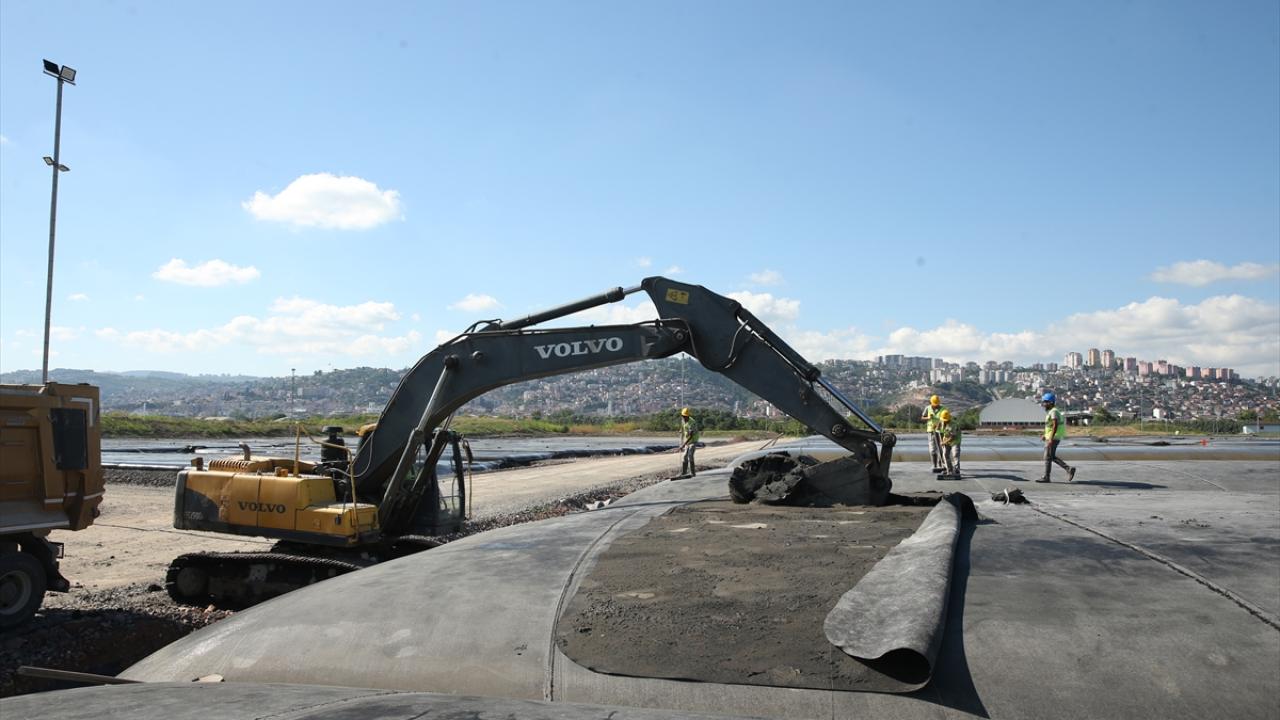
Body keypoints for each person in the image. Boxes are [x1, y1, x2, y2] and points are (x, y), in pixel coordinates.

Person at [1037, 392, 1076, 483]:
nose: (1043, 404)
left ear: (1050, 402)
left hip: (1053, 438)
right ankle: (1068, 469)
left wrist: (1050, 438)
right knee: (1051, 456)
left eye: (1045, 402)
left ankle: (1047, 477)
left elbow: (1055, 425)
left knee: (1047, 457)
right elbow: (1050, 426)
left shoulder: (1053, 411)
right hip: (1053, 437)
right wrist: (1045, 435)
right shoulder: (1052, 411)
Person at [921, 395, 946, 473]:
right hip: (931, 431)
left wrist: (940, 425)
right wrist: (928, 418)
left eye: (937, 404)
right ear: (931, 402)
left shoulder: (943, 408)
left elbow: (947, 418)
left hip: (941, 431)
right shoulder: (927, 408)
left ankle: (942, 464)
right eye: (934, 404)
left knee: (941, 448)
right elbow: (922, 417)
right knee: (932, 449)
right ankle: (934, 465)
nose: (936, 405)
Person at [678, 407, 701, 478]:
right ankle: (684, 472)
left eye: (685, 416)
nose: (684, 417)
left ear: (687, 416)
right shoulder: (683, 420)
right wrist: (681, 430)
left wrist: (683, 445)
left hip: (693, 440)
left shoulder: (692, 423)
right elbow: (683, 427)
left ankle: (693, 472)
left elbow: (691, 436)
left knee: (690, 455)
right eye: (683, 416)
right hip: (687, 441)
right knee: (685, 456)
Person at [938, 409, 962, 478]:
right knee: (945, 454)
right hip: (946, 441)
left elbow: (953, 437)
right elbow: (940, 431)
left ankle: (956, 470)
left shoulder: (953, 424)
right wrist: (937, 427)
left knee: (955, 455)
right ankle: (949, 470)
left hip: (955, 441)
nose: (945, 421)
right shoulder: (942, 422)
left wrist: (943, 442)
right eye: (943, 420)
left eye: (946, 420)